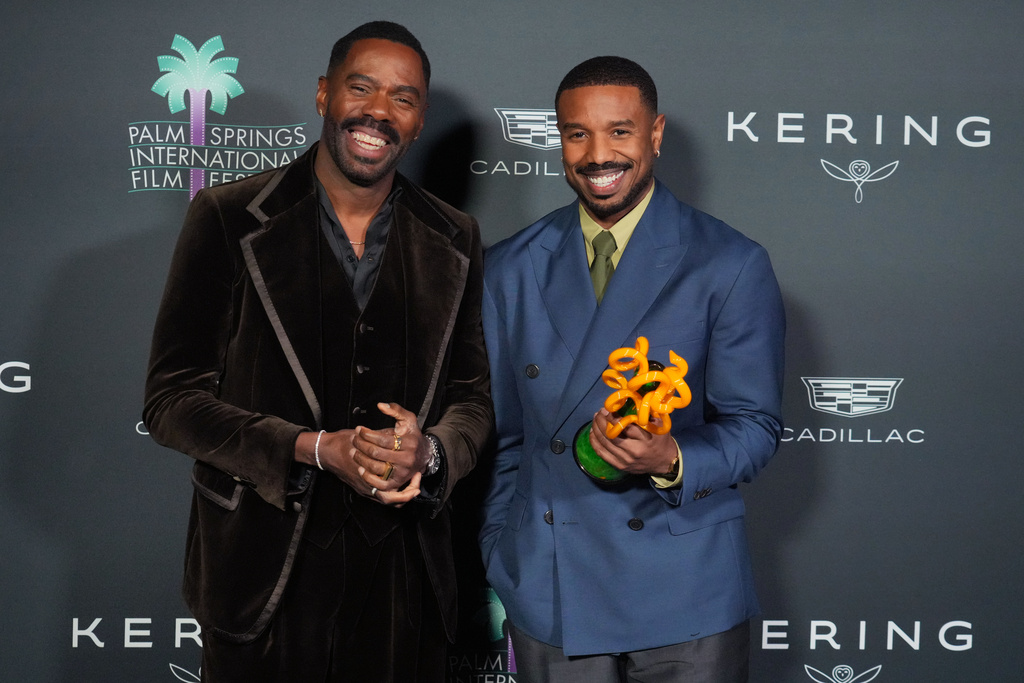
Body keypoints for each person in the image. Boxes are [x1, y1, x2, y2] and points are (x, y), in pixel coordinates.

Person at [143, 21, 492, 683]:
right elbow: (170, 401)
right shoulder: (226, 215)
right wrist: (312, 447)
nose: (379, 112)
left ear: (418, 124)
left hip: (405, 579)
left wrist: (432, 451)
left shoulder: (456, 235)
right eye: (361, 87)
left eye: (403, 98)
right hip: (262, 574)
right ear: (324, 94)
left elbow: (472, 399)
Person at [479, 56, 785, 682]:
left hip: (686, 589)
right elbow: (502, 436)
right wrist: (503, 554)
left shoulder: (728, 263)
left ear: (655, 133)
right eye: (577, 134)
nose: (598, 154)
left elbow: (755, 425)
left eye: (619, 131)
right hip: (552, 586)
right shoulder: (509, 266)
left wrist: (672, 459)